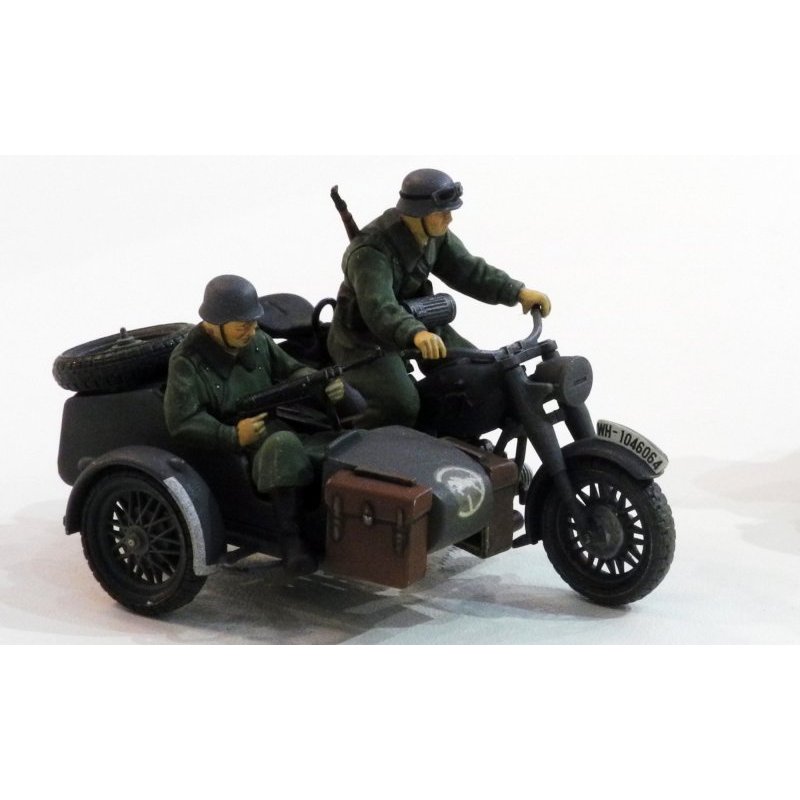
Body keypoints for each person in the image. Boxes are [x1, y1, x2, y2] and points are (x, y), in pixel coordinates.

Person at [327, 168, 551, 429]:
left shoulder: (433, 236)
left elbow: (468, 270)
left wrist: (517, 292)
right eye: (442, 212)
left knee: (480, 372)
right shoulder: (370, 253)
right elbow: (379, 308)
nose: (449, 218)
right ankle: (357, 440)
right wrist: (415, 333)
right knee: (401, 404)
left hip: (416, 320)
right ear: (418, 213)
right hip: (363, 339)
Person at [164, 274, 345, 575]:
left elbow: (292, 370)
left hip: (269, 427)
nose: (252, 330)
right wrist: (233, 434)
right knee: (283, 446)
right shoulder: (187, 362)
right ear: (214, 324)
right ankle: (291, 541)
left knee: (332, 445)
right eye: (242, 325)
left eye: (254, 322)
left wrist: (320, 383)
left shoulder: (258, 342)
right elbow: (182, 421)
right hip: (225, 449)